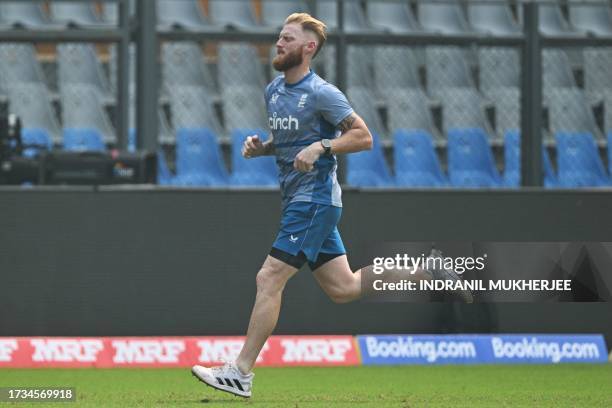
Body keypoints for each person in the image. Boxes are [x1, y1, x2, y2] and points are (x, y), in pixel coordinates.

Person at [191, 13, 471, 398]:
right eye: (279, 36)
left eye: (288, 38)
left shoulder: (324, 92)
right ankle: (425, 270)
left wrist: (322, 146)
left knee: (268, 277)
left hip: (314, 199)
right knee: (344, 287)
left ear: (309, 48)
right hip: (299, 199)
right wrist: (265, 148)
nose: (279, 43)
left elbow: (364, 136)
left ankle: (240, 371)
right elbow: (293, 137)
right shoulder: (274, 89)